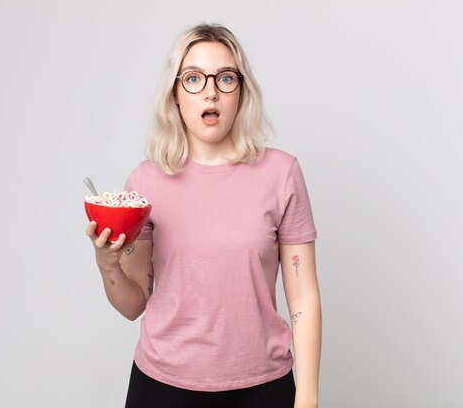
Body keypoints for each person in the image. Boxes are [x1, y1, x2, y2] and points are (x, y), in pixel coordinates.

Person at [86, 23, 322, 408]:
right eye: (193, 78)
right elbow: (133, 304)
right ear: (175, 94)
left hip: (263, 388)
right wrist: (106, 263)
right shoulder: (145, 181)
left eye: (225, 78)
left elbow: (303, 297)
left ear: (241, 92)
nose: (210, 90)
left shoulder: (282, 174)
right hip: (161, 388)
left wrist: (308, 397)